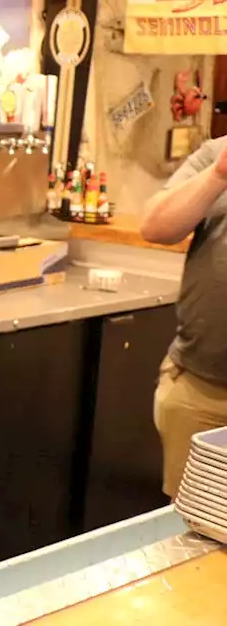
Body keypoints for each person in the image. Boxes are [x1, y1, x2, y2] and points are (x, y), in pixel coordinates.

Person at [140, 135, 227, 497]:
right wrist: (219, 175)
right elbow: (156, 227)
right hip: (202, 392)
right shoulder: (215, 154)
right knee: (193, 537)